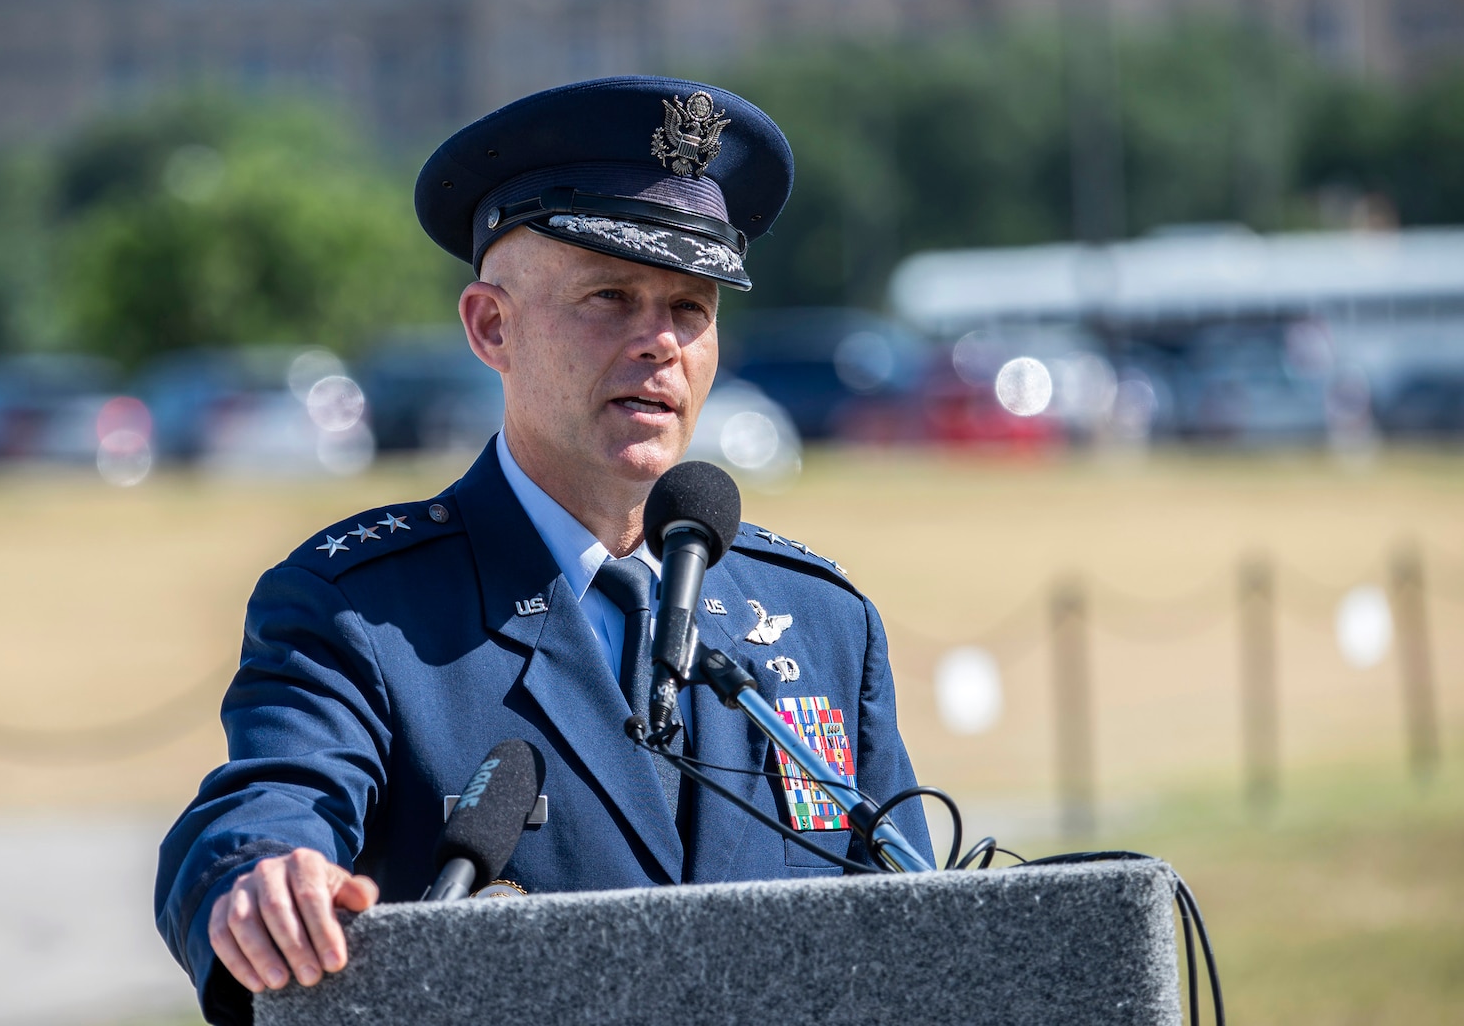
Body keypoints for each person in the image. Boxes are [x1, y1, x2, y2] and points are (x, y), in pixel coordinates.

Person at [154, 76, 934, 1025]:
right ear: (492, 327)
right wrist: (262, 879)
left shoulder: (818, 619)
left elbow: (909, 932)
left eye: (690, 310)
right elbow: (271, 803)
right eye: (610, 297)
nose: (660, 345)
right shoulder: (362, 611)